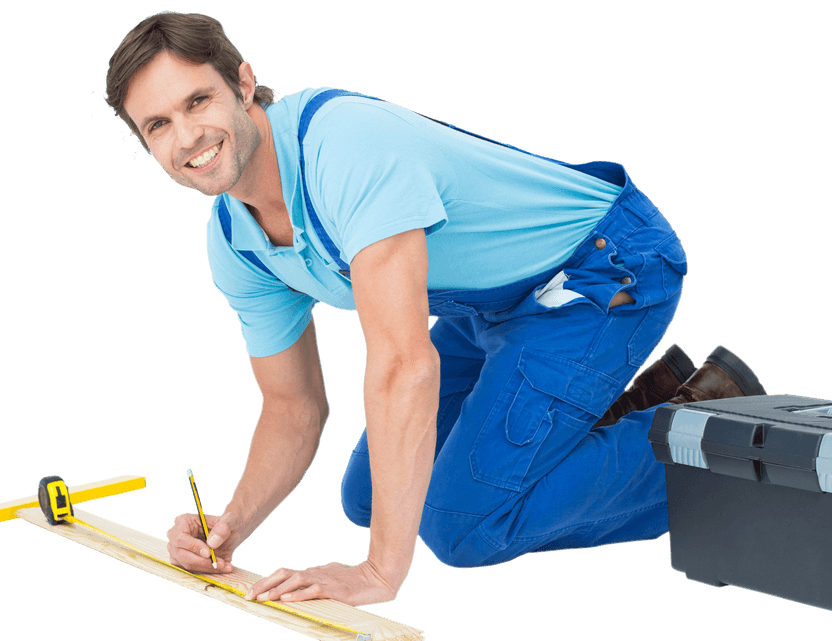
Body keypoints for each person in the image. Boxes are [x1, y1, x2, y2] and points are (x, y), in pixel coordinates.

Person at [104, 13, 766, 606]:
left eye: (198, 100)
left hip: (602, 268)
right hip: (496, 310)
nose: (188, 136)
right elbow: (293, 407)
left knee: (462, 524)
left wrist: (379, 571)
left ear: (243, 84)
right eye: (158, 124)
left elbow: (403, 363)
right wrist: (231, 526)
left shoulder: (342, 148)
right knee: (369, 497)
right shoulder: (235, 244)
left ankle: (721, 444)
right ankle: (614, 412)